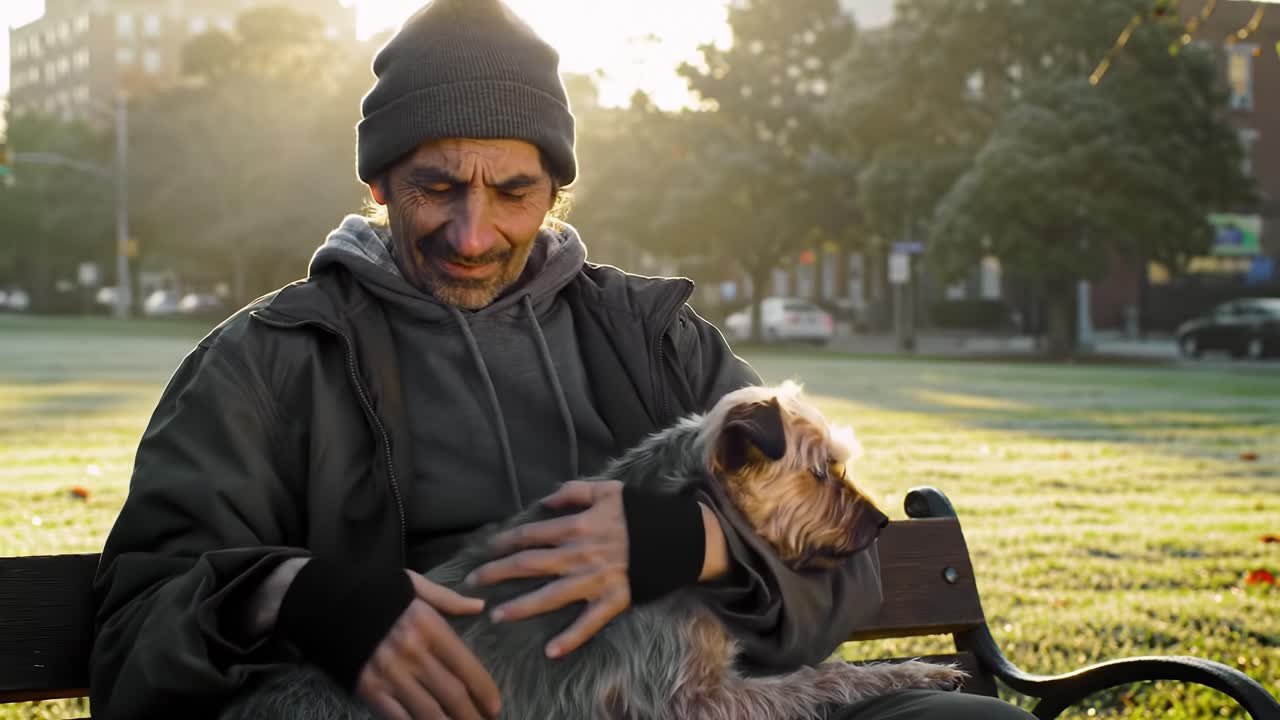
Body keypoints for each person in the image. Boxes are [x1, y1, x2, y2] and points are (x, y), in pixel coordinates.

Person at [88, 1, 1036, 719]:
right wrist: (296, 595)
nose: (473, 230)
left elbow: (847, 566)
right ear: (377, 182)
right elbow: (132, 636)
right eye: (435, 187)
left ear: (555, 189)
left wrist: (693, 542)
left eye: (512, 190)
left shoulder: (655, 338)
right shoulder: (269, 363)